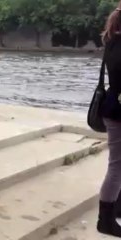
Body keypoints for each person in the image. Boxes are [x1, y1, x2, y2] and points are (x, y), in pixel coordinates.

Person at [99, 2, 121, 237]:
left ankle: (115, 208)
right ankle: (105, 220)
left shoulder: (112, 42)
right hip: (117, 112)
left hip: (113, 107)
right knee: (116, 166)